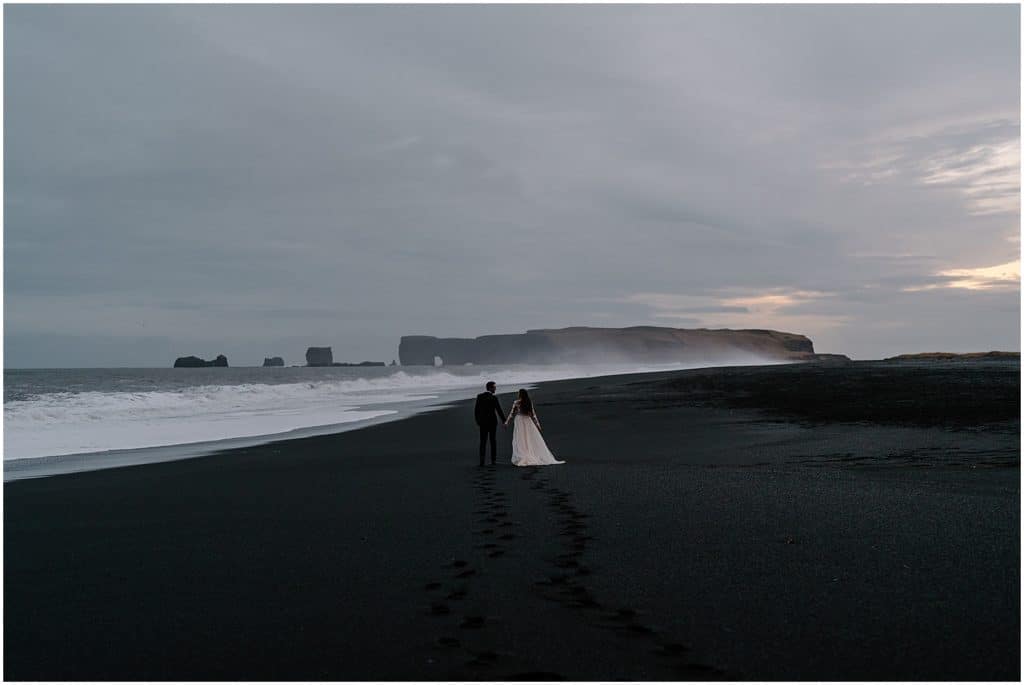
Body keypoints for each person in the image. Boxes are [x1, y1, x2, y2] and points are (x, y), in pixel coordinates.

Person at [505, 388, 564, 467]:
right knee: (528, 438)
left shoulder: (516, 402)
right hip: (527, 421)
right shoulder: (528, 402)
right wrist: (538, 425)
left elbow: (512, 414)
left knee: (520, 438)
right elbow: (533, 415)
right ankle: (528, 453)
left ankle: (523, 454)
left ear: (520, 394)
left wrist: (506, 422)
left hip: (519, 421)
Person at [474, 381, 506, 466]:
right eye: (494, 387)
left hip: (483, 423)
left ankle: (482, 461)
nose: (495, 388)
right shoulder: (494, 398)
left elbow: (476, 411)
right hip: (492, 422)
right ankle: (493, 461)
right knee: (493, 441)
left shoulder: (479, 397)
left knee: (483, 442)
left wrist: (478, 421)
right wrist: (504, 421)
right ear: (490, 388)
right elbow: (499, 410)